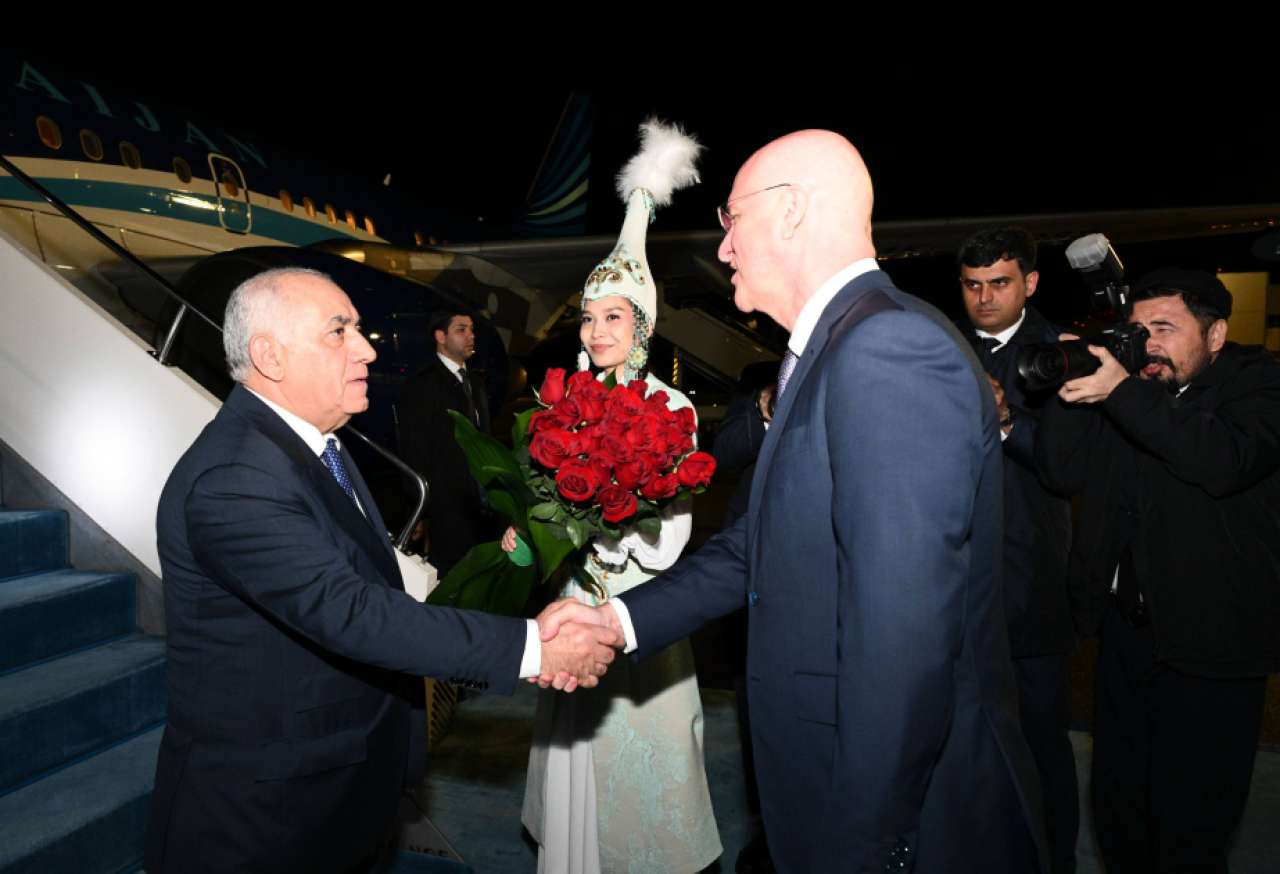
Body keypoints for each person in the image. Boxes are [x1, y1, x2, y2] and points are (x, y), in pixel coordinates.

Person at [539, 130, 1048, 873]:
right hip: (825, 775)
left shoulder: (887, 350)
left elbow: (905, 636)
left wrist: (866, 844)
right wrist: (617, 621)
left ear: (792, 211)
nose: (723, 248)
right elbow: (759, 541)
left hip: (888, 812)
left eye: (732, 219)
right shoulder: (834, 346)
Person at [145, 267, 619, 873]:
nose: (366, 349)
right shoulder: (234, 479)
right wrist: (535, 648)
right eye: (338, 331)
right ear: (269, 356)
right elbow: (354, 613)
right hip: (264, 818)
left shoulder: (315, 444)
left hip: (334, 789)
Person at [509, 119, 719, 874]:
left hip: (638, 616)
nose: (599, 330)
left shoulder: (673, 408)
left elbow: (671, 541)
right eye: (591, 317)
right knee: (575, 771)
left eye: (615, 316)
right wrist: (530, 533)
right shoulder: (561, 403)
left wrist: (606, 533)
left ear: (642, 325)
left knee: (638, 787)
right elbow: (541, 499)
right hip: (573, 606)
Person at [1035, 267, 1280, 873]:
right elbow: (1061, 471)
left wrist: (1121, 393)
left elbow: (1222, 459)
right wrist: (1071, 386)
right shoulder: (1132, 389)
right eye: (1138, 329)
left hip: (1212, 648)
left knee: (1191, 829)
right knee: (1119, 813)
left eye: (1165, 328)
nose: (1148, 344)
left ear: (1216, 334)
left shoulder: (1259, 384)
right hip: (1126, 640)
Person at [957, 227, 1079, 873]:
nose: (984, 298)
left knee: (1040, 743)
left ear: (1029, 283)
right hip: (952, 583)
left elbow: (1066, 468)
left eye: (999, 283)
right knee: (961, 741)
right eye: (972, 285)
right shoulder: (942, 346)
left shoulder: (1063, 353)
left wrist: (1005, 419)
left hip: (1030, 585)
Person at [396, 307, 494, 575]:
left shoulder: (476, 382)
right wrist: (417, 510)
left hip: (481, 503)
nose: (471, 335)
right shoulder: (422, 386)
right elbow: (413, 451)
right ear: (440, 336)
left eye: (472, 329)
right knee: (450, 576)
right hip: (445, 505)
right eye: (461, 329)